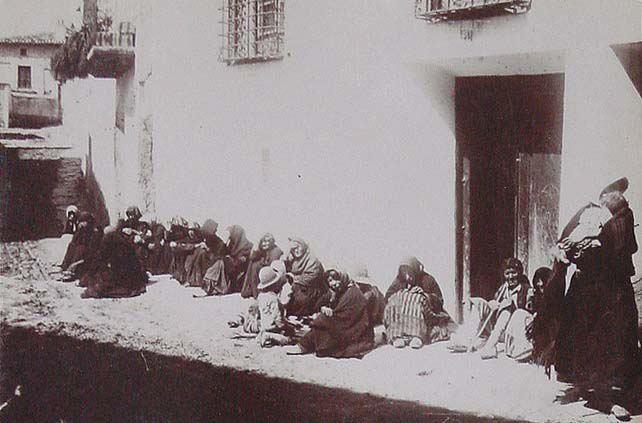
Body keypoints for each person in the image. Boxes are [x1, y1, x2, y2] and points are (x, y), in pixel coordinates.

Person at [530, 177, 640, 420]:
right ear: (603, 197)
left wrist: (599, 237)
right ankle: (592, 393)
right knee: (588, 340)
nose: (622, 198)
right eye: (616, 194)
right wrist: (566, 252)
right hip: (590, 290)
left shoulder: (623, 217)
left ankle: (612, 396)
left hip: (615, 290)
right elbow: (563, 246)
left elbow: (625, 247)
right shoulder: (589, 214)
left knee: (619, 340)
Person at [287, 268, 374, 358]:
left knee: (322, 322)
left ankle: (303, 346)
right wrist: (326, 310)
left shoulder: (353, 294)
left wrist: (325, 318)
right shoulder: (342, 293)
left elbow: (344, 318)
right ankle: (304, 345)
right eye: (330, 281)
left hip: (356, 335)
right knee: (323, 323)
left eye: (336, 279)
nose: (333, 283)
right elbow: (339, 313)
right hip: (348, 329)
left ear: (342, 278)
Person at [384, 257, 456, 349]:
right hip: (404, 318)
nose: (407, 276)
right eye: (404, 272)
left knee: (417, 302)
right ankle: (398, 337)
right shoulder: (399, 281)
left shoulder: (428, 280)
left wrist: (425, 296)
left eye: (409, 272)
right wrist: (404, 294)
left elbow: (439, 301)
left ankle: (417, 336)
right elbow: (388, 297)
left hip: (425, 315)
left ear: (415, 270)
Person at [80, 225, 148, 299]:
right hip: (134, 276)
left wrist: (89, 275)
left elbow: (100, 259)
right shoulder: (123, 241)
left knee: (102, 282)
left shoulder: (108, 240)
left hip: (122, 275)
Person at [200, 225, 253, 296]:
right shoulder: (232, 244)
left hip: (239, 272)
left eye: (232, 235)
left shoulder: (246, 246)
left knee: (221, 263)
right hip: (230, 266)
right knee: (219, 262)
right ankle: (211, 284)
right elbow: (224, 252)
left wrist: (230, 259)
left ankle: (213, 285)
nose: (231, 237)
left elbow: (241, 261)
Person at [283, 237, 326, 317]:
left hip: (312, 290)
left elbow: (312, 277)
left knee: (297, 296)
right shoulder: (295, 260)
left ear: (303, 246)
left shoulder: (312, 260)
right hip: (300, 287)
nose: (296, 251)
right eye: (293, 249)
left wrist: (294, 278)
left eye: (297, 247)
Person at [59, 212, 103, 282]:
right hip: (82, 256)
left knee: (81, 249)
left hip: (89, 258)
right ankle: (65, 267)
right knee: (73, 246)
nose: (82, 224)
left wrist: (77, 263)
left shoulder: (95, 231)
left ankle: (74, 272)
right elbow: (74, 242)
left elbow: (93, 249)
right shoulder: (83, 230)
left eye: (84, 222)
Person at [241, 233, 284, 299]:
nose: (264, 244)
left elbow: (272, 266)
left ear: (271, 242)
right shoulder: (262, 251)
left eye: (267, 241)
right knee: (253, 264)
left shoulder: (276, 251)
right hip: (265, 274)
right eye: (262, 242)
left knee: (256, 266)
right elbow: (252, 257)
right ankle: (255, 293)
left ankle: (259, 293)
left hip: (273, 276)